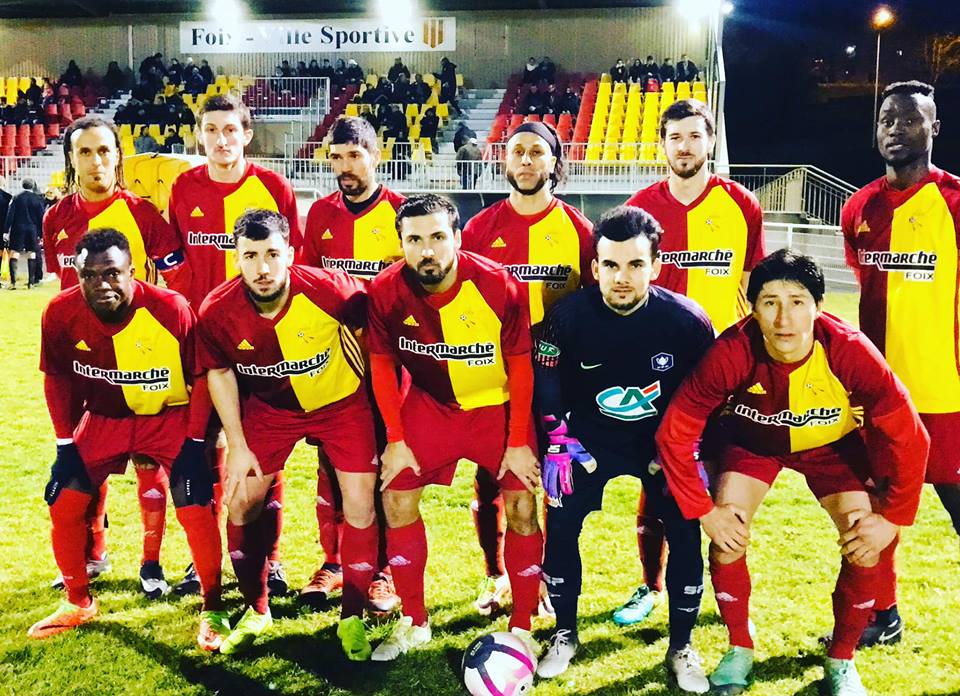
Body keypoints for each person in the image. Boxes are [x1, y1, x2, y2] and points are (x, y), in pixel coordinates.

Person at [656, 249, 929, 696]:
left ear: (818, 306)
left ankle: (842, 660)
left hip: (831, 447)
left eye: (797, 301)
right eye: (770, 302)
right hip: (753, 444)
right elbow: (675, 431)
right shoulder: (731, 351)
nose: (784, 318)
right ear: (752, 306)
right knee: (728, 534)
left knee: (865, 540)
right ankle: (739, 647)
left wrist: (893, 517)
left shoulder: (849, 349)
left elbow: (910, 436)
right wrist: (704, 511)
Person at [533, 206, 712, 691]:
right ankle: (565, 634)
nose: (621, 277)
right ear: (595, 267)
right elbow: (546, 382)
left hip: (663, 444)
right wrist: (556, 438)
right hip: (587, 442)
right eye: (610, 265)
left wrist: (690, 448)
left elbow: (709, 393)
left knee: (686, 532)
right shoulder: (565, 318)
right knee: (561, 527)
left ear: (656, 266)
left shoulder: (688, 322)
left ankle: (681, 646)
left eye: (635, 264)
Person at [366, 194, 544, 661]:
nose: (427, 250)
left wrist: (519, 440)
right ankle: (414, 620)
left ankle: (523, 624)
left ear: (458, 238)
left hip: (495, 408)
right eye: (414, 240)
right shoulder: (385, 291)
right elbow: (382, 365)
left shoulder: (498, 284)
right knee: (396, 496)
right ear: (401, 243)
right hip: (431, 406)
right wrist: (396, 440)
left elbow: (520, 365)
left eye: (437, 237)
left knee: (522, 504)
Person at [31, 229, 226, 650]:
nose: (101, 284)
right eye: (89, 275)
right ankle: (78, 602)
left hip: (167, 418)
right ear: (77, 275)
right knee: (63, 500)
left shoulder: (170, 308)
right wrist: (64, 445)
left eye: (112, 273)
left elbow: (201, 376)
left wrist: (195, 442)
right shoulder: (60, 312)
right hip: (105, 418)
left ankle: (213, 608)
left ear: (133, 272)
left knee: (195, 504)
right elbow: (56, 378)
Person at [196, 209, 378, 659]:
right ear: (235, 259)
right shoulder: (217, 310)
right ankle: (257, 609)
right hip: (270, 411)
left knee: (360, 503)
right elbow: (219, 372)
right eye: (250, 256)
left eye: (272, 254)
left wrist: (377, 410)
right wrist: (237, 445)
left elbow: (373, 336)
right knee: (242, 500)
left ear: (291, 255)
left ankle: (352, 616)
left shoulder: (331, 290)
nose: (262, 268)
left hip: (341, 406)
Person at [619, 99, 765, 627]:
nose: (684, 147)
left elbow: (751, 287)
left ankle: (722, 589)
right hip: (657, 372)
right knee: (656, 480)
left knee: (726, 482)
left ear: (710, 142)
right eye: (675, 137)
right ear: (662, 144)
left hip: (726, 373)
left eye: (694, 136)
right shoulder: (640, 208)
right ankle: (650, 586)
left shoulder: (741, 204)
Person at [167, 93, 301, 595]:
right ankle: (201, 559)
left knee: (266, 449)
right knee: (202, 448)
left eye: (230, 130)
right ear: (199, 135)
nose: (221, 140)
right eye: (211, 130)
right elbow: (175, 261)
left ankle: (272, 558)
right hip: (204, 344)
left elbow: (292, 261)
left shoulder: (273, 188)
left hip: (263, 344)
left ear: (247, 135)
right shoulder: (184, 188)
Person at [841, 80, 960, 646]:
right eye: (887, 119)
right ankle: (881, 614)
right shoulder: (859, 208)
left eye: (910, 119)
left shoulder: (954, 203)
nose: (895, 129)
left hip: (947, 391)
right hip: (879, 396)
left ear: (934, 127)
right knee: (873, 506)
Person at [461, 122, 594, 615]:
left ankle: (544, 578)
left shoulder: (579, 230)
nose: (525, 160)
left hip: (559, 380)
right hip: (495, 377)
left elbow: (591, 307)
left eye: (537, 151)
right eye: (517, 151)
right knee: (491, 478)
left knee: (555, 482)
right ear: (504, 159)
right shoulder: (480, 229)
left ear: (555, 161)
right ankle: (495, 575)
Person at [299, 116, 405, 614]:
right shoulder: (320, 214)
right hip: (334, 368)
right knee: (331, 466)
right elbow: (306, 288)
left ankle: (385, 571)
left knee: (384, 467)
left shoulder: (401, 213)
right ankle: (335, 561)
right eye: (336, 157)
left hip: (389, 365)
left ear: (375, 156)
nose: (345, 167)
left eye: (354, 156)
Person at [5, 178, 45, 289]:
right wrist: (41, 233)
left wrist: (6, 230)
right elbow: (41, 217)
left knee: (15, 252)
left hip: (18, 228)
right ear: (32, 186)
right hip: (32, 229)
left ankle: (13, 283)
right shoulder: (37, 199)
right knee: (31, 253)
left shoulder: (16, 198)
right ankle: (31, 283)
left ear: (22, 185)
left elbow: (10, 214)